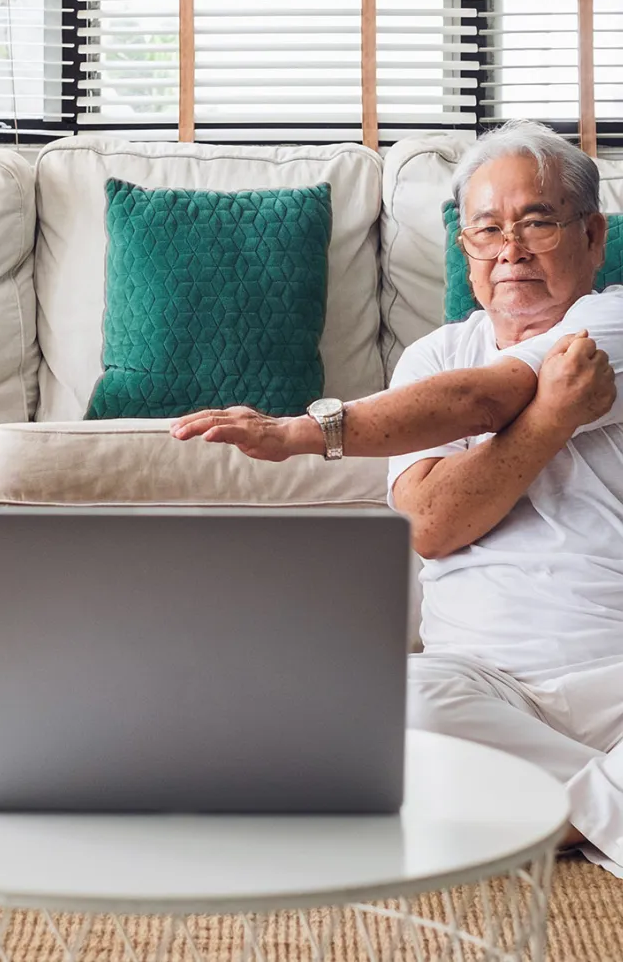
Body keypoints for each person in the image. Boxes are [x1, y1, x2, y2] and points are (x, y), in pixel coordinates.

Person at [171, 120, 623, 874]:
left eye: (537, 223)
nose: (510, 249)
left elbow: (488, 395)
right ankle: (589, 805)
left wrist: (299, 433)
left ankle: (537, 818)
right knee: (386, 705)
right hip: (483, 684)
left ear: (592, 237)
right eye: (486, 230)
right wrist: (554, 416)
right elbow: (431, 524)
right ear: (466, 254)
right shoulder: (435, 358)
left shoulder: (608, 322)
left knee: (352, 770)